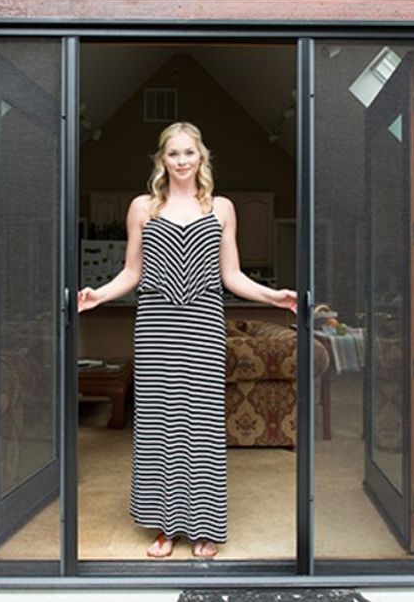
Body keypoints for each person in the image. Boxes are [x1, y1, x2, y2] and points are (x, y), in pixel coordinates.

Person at [77, 121, 296, 559]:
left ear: (202, 158)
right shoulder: (143, 207)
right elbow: (132, 272)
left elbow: (231, 276)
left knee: (200, 428)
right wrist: (97, 294)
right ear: (162, 160)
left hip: (202, 324)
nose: (181, 161)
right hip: (157, 326)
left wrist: (273, 296)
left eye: (188, 153)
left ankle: (204, 526)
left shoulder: (222, 208)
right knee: (159, 426)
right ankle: (164, 526)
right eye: (173, 154)